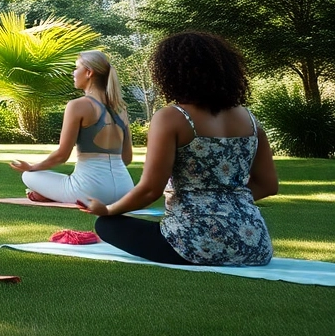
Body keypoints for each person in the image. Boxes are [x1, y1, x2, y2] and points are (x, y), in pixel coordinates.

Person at [83, 32, 277, 266]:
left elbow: (149, 190)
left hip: (193, 243)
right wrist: (224, 203)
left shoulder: (172, 117)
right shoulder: (250, 120)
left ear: (170, 73)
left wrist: (107, 209)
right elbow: (268, 185)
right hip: (254, 245)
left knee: (107, 225)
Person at [9, 50, 134, 204]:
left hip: (91, 191)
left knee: (28, 175)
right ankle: (53, 193)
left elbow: (62, 155)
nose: (73, 73)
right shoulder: (121, 108)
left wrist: (32, 167)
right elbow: (127, 158)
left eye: (76, 68)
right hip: (125, 190)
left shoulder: (77, 105)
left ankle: (51, 194)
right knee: (64, 179)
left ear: (88, 72)